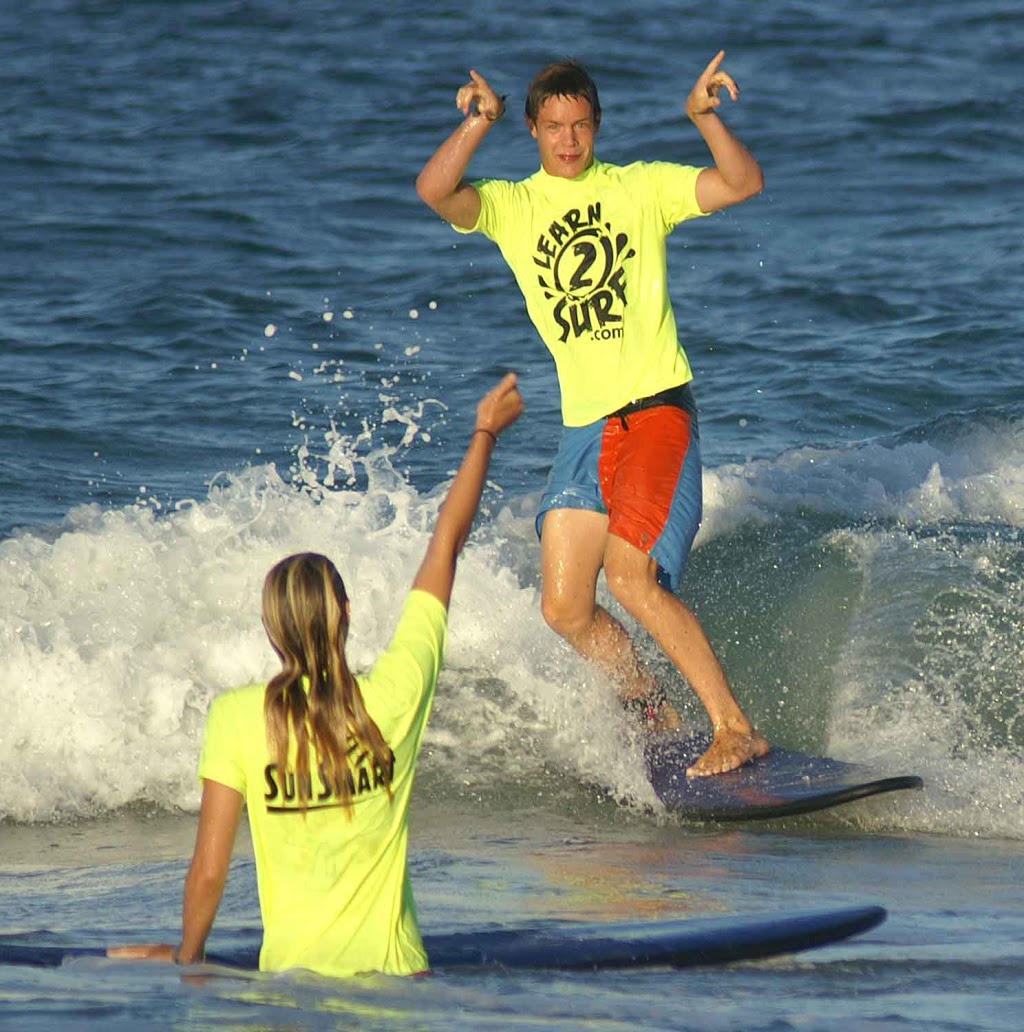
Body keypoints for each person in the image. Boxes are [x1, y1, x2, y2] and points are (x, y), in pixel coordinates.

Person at [415, 52, 769, 776]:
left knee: (631, 580)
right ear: (534, 131)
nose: (569, 140)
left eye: (580, 125)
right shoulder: (513, 208)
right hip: (586, 428)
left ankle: (734, 727)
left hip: (653, 412)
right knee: (566, 608)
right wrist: (478, 123)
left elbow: (742, 183)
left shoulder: (639, 190)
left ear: (597, 126)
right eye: (553, 127)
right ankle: (656, 713)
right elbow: (435, 189)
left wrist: (702, 118)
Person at [108, 373, 524, 976]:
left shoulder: (237, 719)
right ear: (346, 614)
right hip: (401, 989)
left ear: (272, 629)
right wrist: (485, 431)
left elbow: (208, 871)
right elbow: (445, 544)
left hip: (291, 993)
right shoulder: (395, 697)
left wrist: (188, 959)